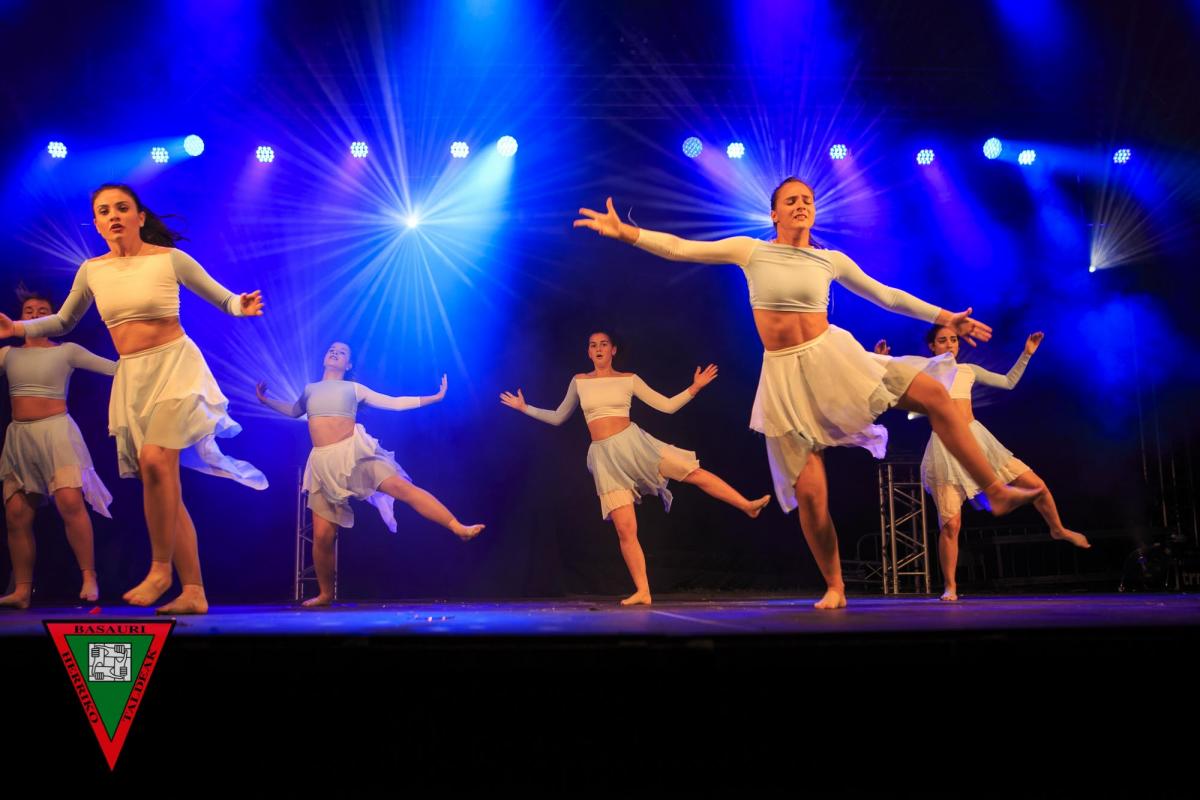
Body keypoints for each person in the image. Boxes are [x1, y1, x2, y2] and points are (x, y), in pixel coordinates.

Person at [573, 180, 1041, 608]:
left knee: (936, 396)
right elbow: (679, 248)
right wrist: (626, 233)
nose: (801, 205)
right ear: (774, 213)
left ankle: (995, 492)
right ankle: (835, 586)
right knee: (812, 497)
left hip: (834, 359)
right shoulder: (751, 251)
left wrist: (944, 317)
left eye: (808, 201)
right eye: (791, 200)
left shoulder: (829, 260)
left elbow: (887, 296)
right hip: (785, 380)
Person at [0, 184, 266, 614]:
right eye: (104, 211)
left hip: (175, 367)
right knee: (161, 484)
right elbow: (64, 321)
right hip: (132, 377)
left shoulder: (169, 259)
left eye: (122, 208)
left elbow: (223, 297)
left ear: (139, 217)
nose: (114, 216)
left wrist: (241, 305)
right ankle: (194, 591)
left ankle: (160, 569)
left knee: (156, 461)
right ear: (97, 224)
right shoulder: (92, 270)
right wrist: (18, 329)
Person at [501, 330, 771, 606]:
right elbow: (559, 416)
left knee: (692, 472)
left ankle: (746, 505)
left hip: (635, 445)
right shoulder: (579, 381)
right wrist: (525, 408)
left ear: (613, 350)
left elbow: (666, 406)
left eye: (603, 344)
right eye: (593, 345)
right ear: (588, 352)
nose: (598, 349)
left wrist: (695, 387)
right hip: (605, 458)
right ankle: (643, 591)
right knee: (625, 529)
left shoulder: (628, 379)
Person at [257, 341, 484, 607]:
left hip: (356, 455)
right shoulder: (310, 390)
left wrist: (434, 398)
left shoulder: (354, 389)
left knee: (402, 489)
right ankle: (326, 594)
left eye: (342, 352)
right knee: (322, 536)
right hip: (323, 464)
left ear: (348, 364)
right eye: (331, 350)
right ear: (324, 358)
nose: (335, 353)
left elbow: (395, 403)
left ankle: (458, 527)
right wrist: (265, 401)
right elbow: (294, 411)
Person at [877, 328, 1089, 601]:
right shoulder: (924, 373)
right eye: (943, 340)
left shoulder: (968, 370)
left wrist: (1026, 354)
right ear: (932, 346)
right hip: (945, 446)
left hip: (978, 439)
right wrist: (881, 361)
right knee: (950, 525)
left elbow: (1008, 382)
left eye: (954, 339)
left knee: (1037, 486)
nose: (950, 344)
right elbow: (889, 391)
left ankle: (1057, 529)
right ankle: (950, 586)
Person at [0, 290, 116, 608]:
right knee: (16, 514)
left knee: (69, 502)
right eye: (29, 310)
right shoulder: (8, 354)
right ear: (19, 317)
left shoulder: (67, 351)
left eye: (43, 311)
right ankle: (22, 590)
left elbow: (115, 369)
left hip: (57, 432)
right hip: (20, 437)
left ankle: (89, 576)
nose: (35, 315)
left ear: (55, 318)